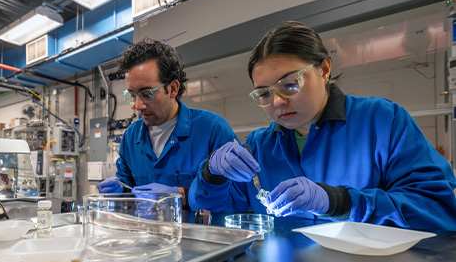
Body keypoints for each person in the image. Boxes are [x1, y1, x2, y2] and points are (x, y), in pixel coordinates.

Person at [188, 21, 456, 230]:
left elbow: (438, 209)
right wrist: (212, 173)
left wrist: (340, 202)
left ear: (325, 70)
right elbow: (211, 209)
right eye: (264, 94)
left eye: (290, 84)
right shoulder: (259, 147)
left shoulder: (381, 121)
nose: (278, 101)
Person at [97, 37, 238, 207]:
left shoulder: (212, 129)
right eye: (133, 95)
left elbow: (238, 198)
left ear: (173, 89)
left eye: (147, 94)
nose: (137, 105)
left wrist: (181, 195)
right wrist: (120, 192)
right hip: (145, 232)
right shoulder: (131, 136)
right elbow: (127, 184)